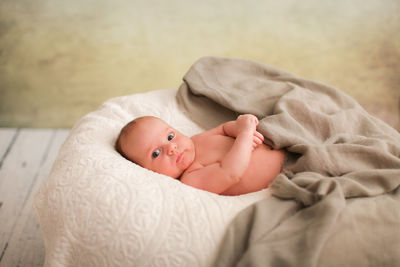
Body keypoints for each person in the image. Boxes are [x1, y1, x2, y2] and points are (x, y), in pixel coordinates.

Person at [115, 115, 286, 196]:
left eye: (170, 136)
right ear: (147, 171)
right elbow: (230, 172)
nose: (171, 148)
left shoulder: (195, 141)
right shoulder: (191, 179)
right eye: (156, 153)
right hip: (287, 172)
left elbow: (224, 129)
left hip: (283, 143)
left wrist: (239, 126)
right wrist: (245, 135)